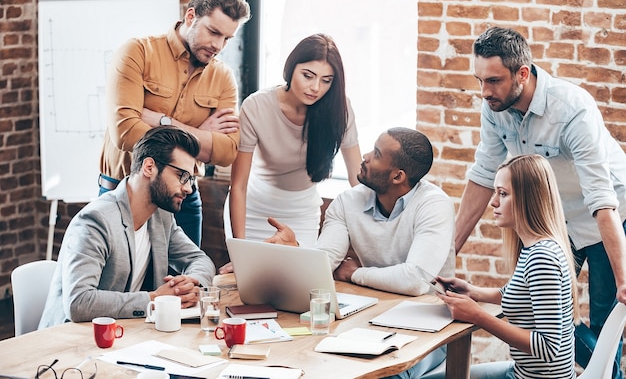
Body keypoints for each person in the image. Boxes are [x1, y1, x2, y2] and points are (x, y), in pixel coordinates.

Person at [454, 26, 626, 377]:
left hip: (607, 217)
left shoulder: (571, 109)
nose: (485, 92)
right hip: (555, 221)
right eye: (480, 80)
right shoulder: (495, 107)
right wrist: (445, 254)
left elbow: (601, 197)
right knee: (540, 305)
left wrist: (625, 280)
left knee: (607, 322)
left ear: (523, 73)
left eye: (494, 81)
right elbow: (483, 175)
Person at [266, 127, 456, 378]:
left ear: (398, 176)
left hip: (427, 327)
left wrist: (355, 274)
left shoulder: (434, 205)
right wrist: (294, 251)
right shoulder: (347, 202)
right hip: (369, 319)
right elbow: (325, 261)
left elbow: (416, 280)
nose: (365, 156)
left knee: (385, 373)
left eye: (376, 154)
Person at [99, 0, 251, 247]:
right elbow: (125, 133)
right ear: (191, 16)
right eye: (213, 32)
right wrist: (201, 138)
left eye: (227, 38)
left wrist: (163, 122)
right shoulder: (137, 53)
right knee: (120, 283)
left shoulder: (223, 77)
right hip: (123, 191)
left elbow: (226, 152)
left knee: (186, 281)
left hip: (183, 195)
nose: (218, 45)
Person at [40, 126, 216, 328]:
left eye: (191, 179)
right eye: (182, 176)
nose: (188, 188)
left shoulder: (161, 215)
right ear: (149, 167)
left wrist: (190, 283)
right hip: (69, 341)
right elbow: (78, 302)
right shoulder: (95, 220)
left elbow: (198, 259)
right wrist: (153, 299)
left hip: (123, 335)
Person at [428, 154, 579, 379]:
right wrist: (473, 291)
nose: (493, 202)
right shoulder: (534, 248)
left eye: (503, 194)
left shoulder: (542, 259)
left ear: (529, 199)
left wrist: (478, 316)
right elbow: (520, 295)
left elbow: (549, 348)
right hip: (521, 371)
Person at [224, 33, 362, 249]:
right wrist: (238, 247)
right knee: (249, 278)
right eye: (308, 75)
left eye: (326, 80)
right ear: (291, 69)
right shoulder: (256, 106)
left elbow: (357, 180)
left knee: (300, 280)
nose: (316, 87)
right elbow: (238, 186)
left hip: (302, 213)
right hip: (254, 210)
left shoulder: (339, 109)